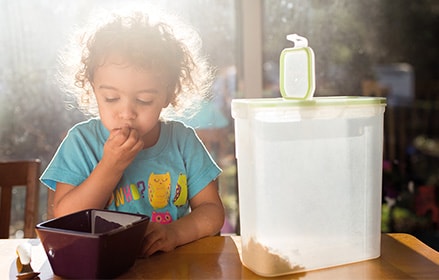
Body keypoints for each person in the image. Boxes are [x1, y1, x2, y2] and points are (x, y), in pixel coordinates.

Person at [40, 8, 225, 256]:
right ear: (93, 89)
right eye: (111, 98)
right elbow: (64, 219)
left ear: (168, 94)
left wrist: (175, 233)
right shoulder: (81, 143)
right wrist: (110, 166)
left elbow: (212, 211)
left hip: (169, 266)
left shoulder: (183, 142)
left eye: (144, 100)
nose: (126, 112)